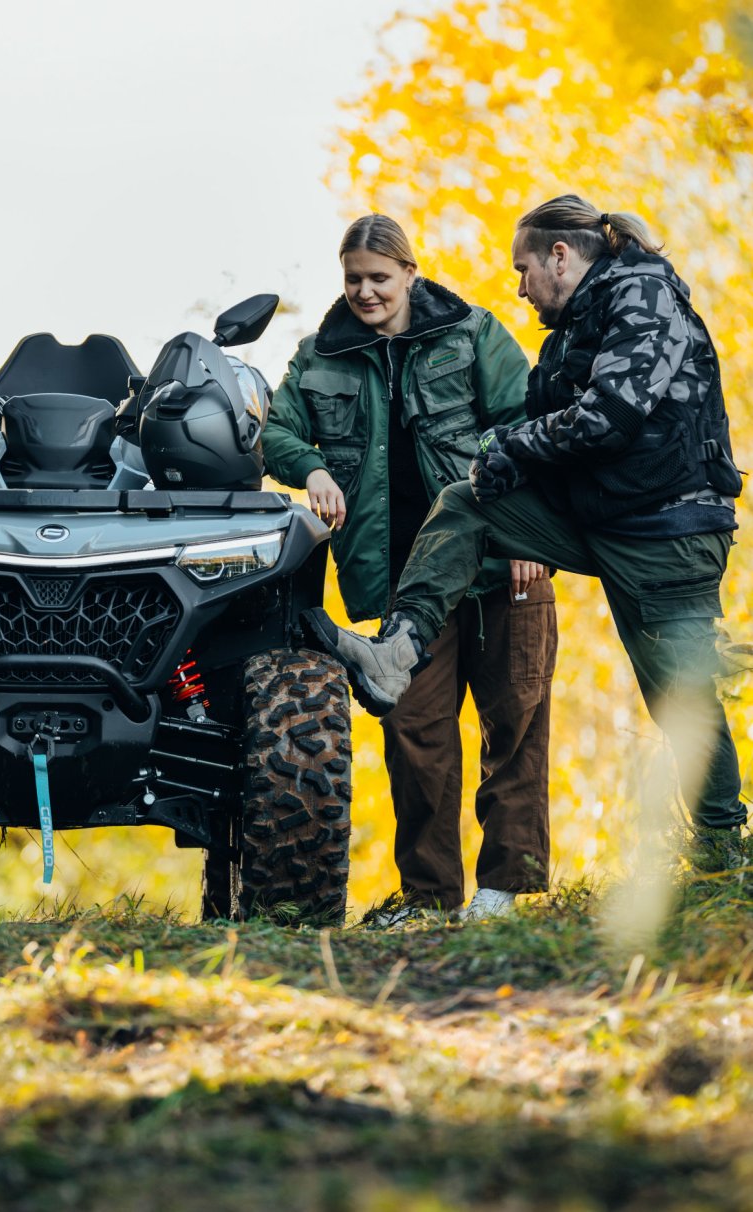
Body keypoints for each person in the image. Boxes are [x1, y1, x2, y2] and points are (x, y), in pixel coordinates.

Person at [303, 196, 747, 871]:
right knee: (467, 502)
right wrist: (501, 449)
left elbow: (610, 416)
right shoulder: (572, 327)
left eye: (523, 269)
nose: (518, 285)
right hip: (601, 518)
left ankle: (723, 854)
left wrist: (513, 445)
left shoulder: (645, 297)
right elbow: (536, 415)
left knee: (677, 697)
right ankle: (398, 652)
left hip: (669, 530)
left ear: (560, 257)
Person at [264, 215, 558, 924]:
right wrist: (311, 468)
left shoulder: (474, 333)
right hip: (402, 591)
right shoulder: (319, 357)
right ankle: (430, 900)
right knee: (415, 738)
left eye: (379, 278)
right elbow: (274, 430)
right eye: (354, 279)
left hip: (499, 569)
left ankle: (507, 892)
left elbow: (530, 425)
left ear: (410, 275)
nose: (366, 292)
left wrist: (530, 537)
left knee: (514, 725)